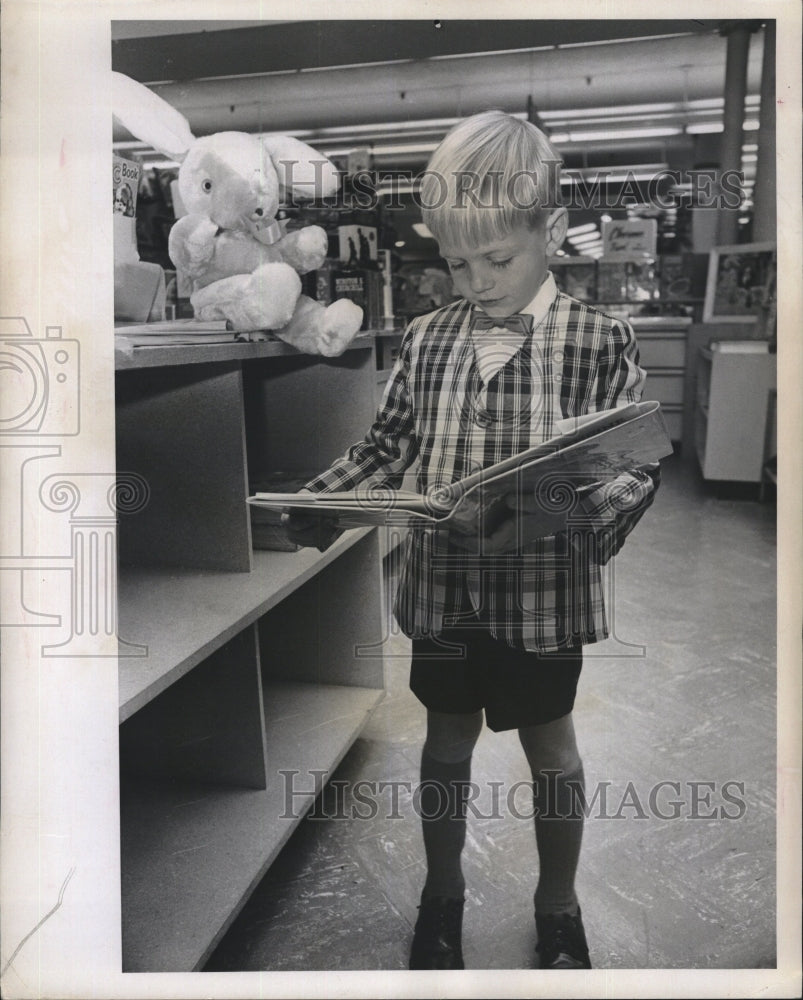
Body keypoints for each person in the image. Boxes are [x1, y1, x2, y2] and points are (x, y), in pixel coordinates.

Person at [284, 111, 660, 970]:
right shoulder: (425, 339)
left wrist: (562, 508)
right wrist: (322, 501)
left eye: (497, 259)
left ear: (551, 232)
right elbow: (387, 450)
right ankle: (441, 892)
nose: (477, 281)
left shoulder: (600, 340)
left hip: (542, 601)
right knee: (443, 744)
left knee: (553, 753)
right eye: (457, 262)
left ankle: (557, 904)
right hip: (443, 592)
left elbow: (633, 469)